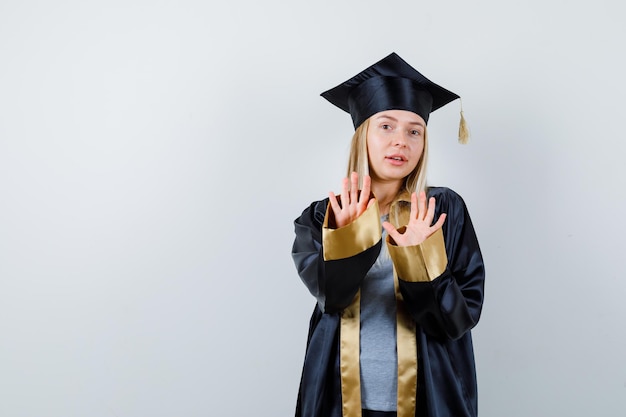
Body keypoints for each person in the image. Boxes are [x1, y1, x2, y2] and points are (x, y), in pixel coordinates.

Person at [291, 52, 485, 417]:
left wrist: (420, 261)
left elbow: (458, 320)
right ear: (362, 133)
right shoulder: (322, 214)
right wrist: (347, 237)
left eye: (415, 131)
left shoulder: (442, 211)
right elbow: (332, 298)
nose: (401, 141)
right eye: (386, 126)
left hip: (430, 397)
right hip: (338, 398)